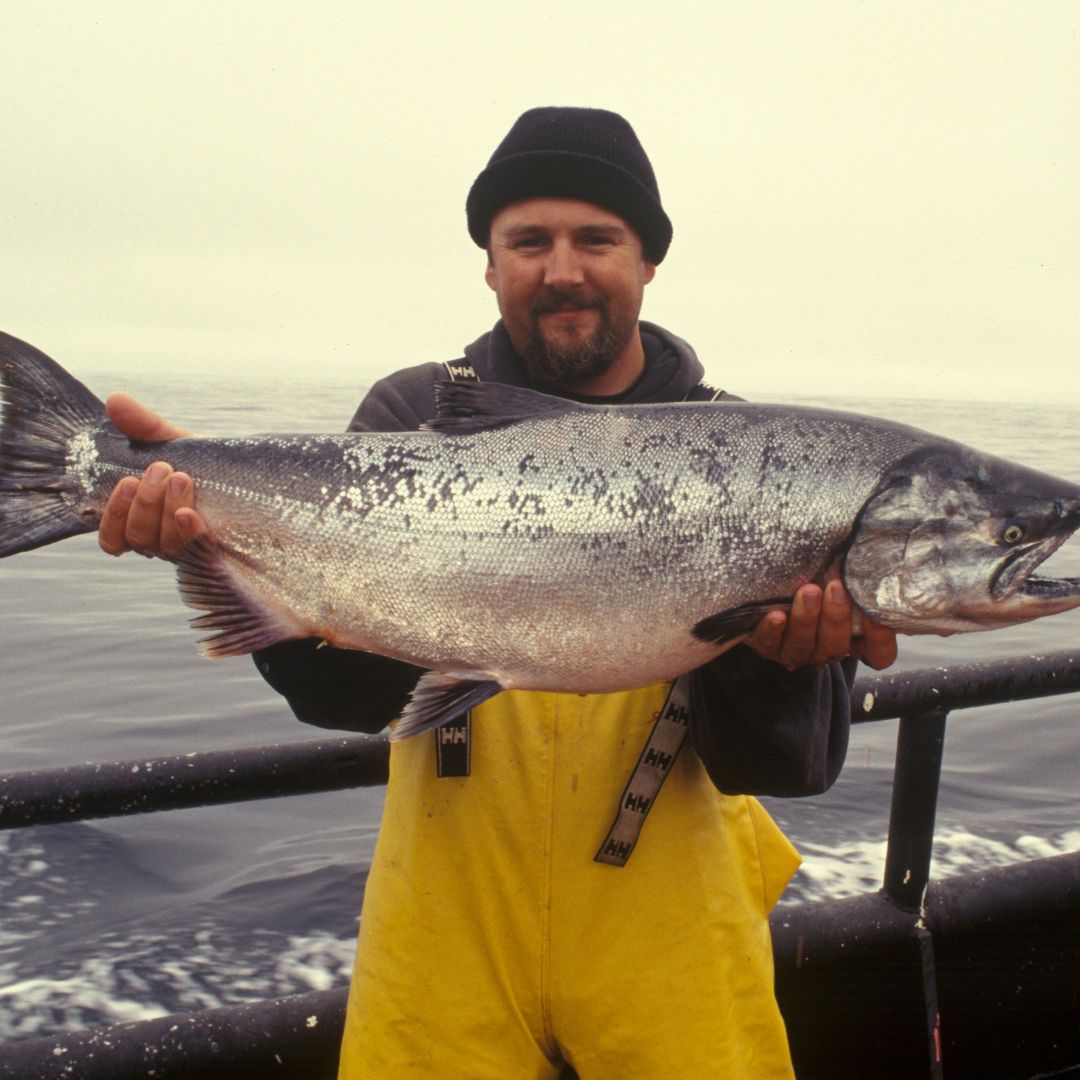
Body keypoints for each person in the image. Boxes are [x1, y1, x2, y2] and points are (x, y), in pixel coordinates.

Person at [98, 107, 897, 1079]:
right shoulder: (412, 420)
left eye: (597, 237)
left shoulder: (758, 462)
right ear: (489, 264)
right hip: (449, 922)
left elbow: (789, 767)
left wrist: (777, 664)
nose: (563, 268)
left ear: (648, 262)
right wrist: (208, 538)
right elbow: (340, 696)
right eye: (529, 241)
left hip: (670, 930)